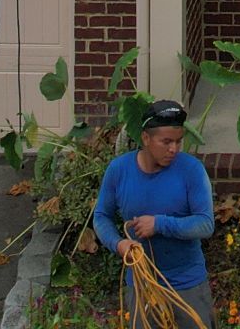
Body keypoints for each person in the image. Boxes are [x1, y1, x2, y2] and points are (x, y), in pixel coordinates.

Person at [92, 99, 215, 327]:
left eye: (179, 141)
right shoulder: (119, 171)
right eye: (166, 142)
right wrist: (119, 244)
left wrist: (159, 224)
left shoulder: (192, 170)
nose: (174, 149)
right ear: (146, 138)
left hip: (188, 285)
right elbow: (101, 216)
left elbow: (205, 224)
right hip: (142, 287)